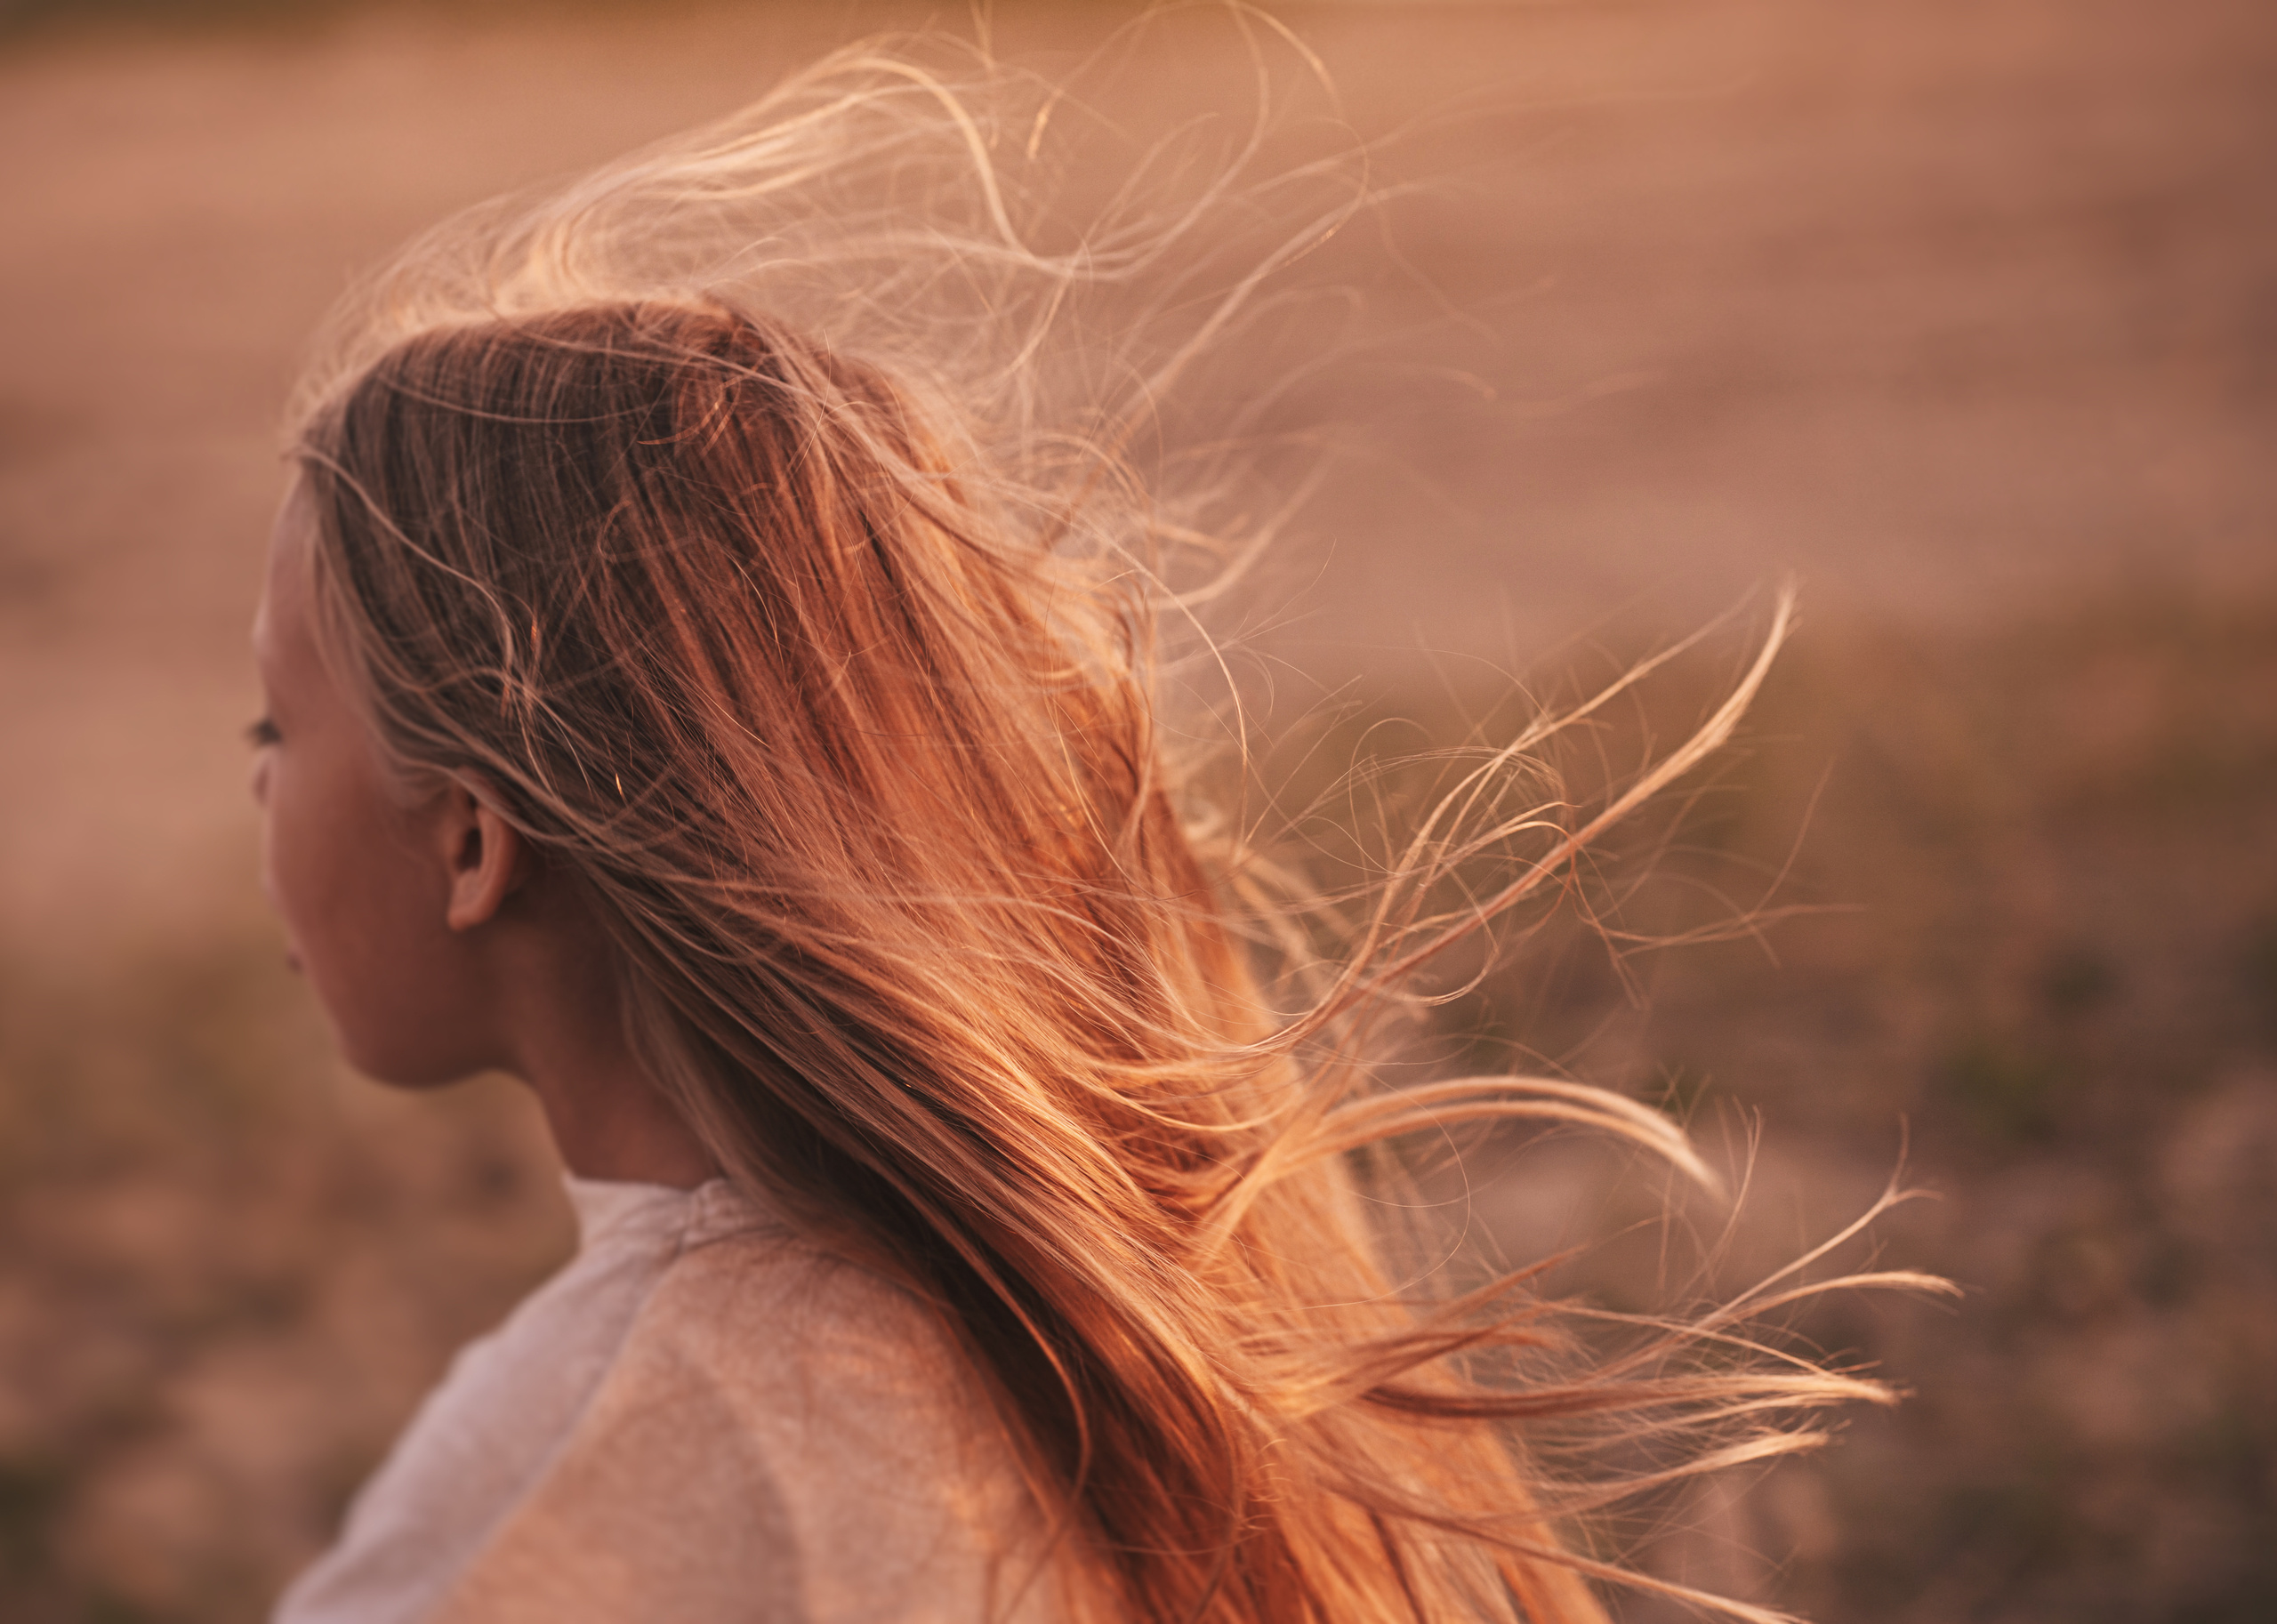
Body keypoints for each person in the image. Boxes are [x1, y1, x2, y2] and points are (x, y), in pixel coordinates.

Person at [253, 31, 1918, 1624]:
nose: (255, 781)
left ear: (473, 842)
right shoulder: (1030, 1322)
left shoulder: (575, 1457)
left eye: (277, 727)